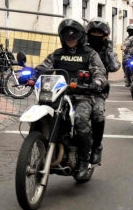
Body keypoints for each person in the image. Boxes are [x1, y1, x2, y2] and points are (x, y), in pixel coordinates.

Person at [29, 19, 107, 181]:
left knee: (80, 119)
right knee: (41, 116)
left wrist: (96, 82)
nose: (70, 40)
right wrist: (30, 76)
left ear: (81, 37)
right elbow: (42, 68)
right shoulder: (57, 54)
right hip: (57, 94)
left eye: (74, 37)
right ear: (62, 38)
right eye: (66, 37)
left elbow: (100, 72)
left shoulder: (90, 54)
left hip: (82, 95)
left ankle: (84, 161)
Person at [86, 19, 121, 165]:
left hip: (97, 89)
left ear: (105, 35)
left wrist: (108, 48)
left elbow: (114, 67)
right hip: (74, 87)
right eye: (93, 32)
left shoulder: (106, 49)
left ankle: (96, 147)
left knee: (97, 113)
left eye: (99, 33)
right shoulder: (81, 46)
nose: (96, 35)